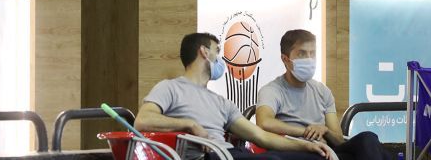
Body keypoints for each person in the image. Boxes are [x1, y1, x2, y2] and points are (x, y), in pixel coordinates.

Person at [135, 32, 330, 159]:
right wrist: (190, 124)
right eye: (217, 51)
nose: (221, 60)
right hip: (207, 156)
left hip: (230, 154)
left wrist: (306, 146)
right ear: (204, 52)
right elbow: (142, 120)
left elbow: (261, 136)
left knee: (300, 157)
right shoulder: (170, 88)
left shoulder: (221, 102)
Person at [256, 30, 390, 160]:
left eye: (312, 53)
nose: (309, 59)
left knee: (368, 139)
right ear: (285, 59)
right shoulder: (271, 90)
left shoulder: (322, 91)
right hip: (296, 149)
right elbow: (264, 122)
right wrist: (306, 132)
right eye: (302, 54)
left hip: (327, 150)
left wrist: (325, 130)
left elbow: (338, 140)